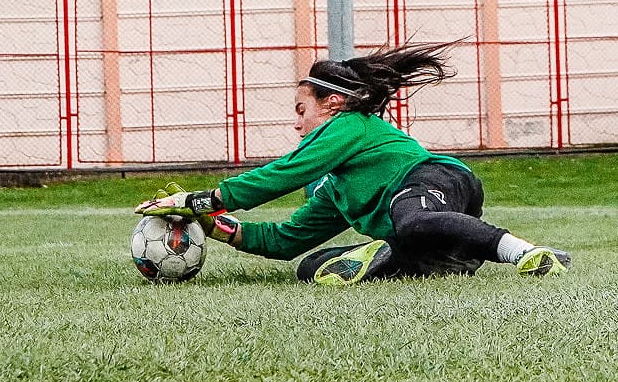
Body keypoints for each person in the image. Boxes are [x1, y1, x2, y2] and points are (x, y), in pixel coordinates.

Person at [133, 43, 571, 285]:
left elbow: (287, 171)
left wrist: (206, 199)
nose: (297, 124)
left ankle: (530, 254)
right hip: (417, 216)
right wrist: (217, 226)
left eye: (302, 110)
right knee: (309, 268)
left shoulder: (349, 124)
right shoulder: (335, 190)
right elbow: (287, 240)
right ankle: (448, 258)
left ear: (334, 102)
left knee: (412, 219)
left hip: (434, 178)